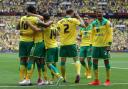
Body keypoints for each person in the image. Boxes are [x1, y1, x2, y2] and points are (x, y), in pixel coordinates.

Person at [18, 5, 52, 85]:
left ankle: (24, 78)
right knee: (39, 61)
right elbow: (43, 23)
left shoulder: (23, 18)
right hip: (33, 42)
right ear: (34, 11)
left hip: (24, 41)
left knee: (24, 60)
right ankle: (43, 79)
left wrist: (24, 31)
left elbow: (17, 27)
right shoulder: (36, 19)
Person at [57, 9, 86, 83]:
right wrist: (78, 17)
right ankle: (78, 74)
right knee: (76, 59)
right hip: (72, 43)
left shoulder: (59, 22)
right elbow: (84, 25)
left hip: (63, 44)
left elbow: (57, 32)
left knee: (63, 62)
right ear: (72, 13)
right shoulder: (74, 20)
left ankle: (64, 78)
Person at [88, 10, 113, 86]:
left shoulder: (107, 22)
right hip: (95, 46)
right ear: (96, 15)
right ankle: (96, 80)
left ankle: (108, 80)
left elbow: (110, 34)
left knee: (106, 62)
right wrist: (91, 44)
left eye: (100, 13)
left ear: (102, 14)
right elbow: (92, 34)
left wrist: (109, 44)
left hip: (104, 45)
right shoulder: (93, 23)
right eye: (98, 14)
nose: (99, 15)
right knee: (95, 62)